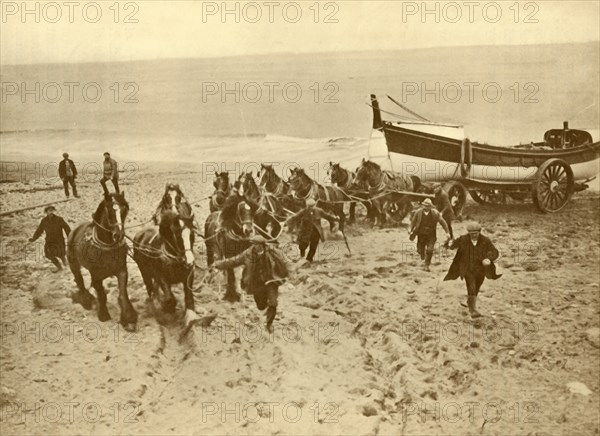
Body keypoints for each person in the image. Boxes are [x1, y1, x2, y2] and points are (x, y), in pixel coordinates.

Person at [210, 235, 290, 332]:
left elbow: (285, 263)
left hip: (271, 281)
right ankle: (265, 309)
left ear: (262, 245)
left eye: (257, 245)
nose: (255, 247)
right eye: (253, 244)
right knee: (260, 305)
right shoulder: (248, 253)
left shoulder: (273, 252)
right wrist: (218, 264)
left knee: (273, 303)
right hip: (257, 283)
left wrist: (287, 274)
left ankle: (269, 324)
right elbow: (235, 260)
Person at [444, 222, 501, 318]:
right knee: (471, 286)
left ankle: (470, 302)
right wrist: (448, 242)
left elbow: (495, 252)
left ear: (479, 232)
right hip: (467, 268)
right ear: (468, 233)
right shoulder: (463, 239)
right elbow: (452, 246)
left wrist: (489, 258)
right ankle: (472, 310)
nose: (473, 235)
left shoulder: (485, 240)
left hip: (481, 269)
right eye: (471, 233)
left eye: (475, 233)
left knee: (477, 287)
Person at [286, 198, 339, 262]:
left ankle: (309, 259)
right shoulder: (303, 211)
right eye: (309, 206)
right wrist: (287, 221)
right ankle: (302, 255)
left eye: (312, 206)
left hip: (316, 232)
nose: (311, 208)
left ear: (315, 205)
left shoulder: (319, 211)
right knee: (302, 245)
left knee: (313, 247)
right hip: (305, 232)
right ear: (307, 206)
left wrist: (335, 218)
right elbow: (295, 217)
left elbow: (327, 216)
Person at [409, 198, 451, 271]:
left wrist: (447, 233)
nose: (425, 207)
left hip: (431, 235)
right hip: (421, 234)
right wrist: (410, 229)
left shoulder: (435, 213)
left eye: (427, 206)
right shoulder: (418, 212)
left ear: (430, 206)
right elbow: (413, 222)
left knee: (429, 250)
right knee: (420, 250)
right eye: (424, 205)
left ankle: (427, 265)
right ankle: (422, 254)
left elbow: (443, 222)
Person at [29, 205, 71, 272]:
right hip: (49, 241)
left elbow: (67, 228)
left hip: (59, 240)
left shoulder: (59, 219)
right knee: (49, 255)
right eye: (49, 211)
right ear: (46, 212)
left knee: (61, 253)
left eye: (52, 210)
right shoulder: (44, 221)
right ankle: (59, 267)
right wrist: (34, 238)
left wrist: (70, 236)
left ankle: (66, 264)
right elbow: (39, 230)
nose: (51, 212)